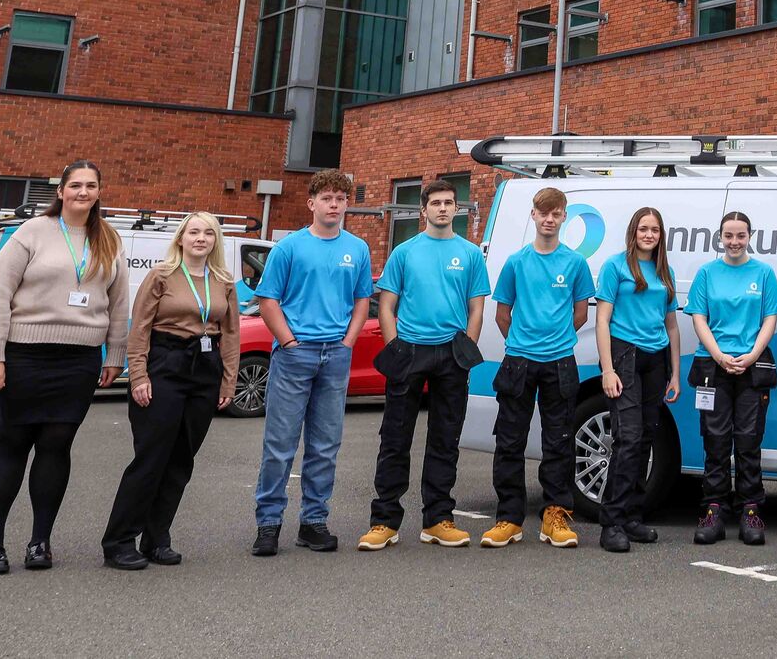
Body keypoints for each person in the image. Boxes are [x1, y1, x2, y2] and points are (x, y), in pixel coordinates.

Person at [0, 160, 128, 574]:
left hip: (77, 362)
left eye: (90, 185)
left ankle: (40, 542)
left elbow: (118, 305)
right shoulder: (32, 232)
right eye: (75, 185)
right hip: (25, 356)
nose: (83, 192)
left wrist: (114, 356)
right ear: (60, 191)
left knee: (56, 447)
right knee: (12, 446)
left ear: (98, 192)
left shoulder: (109, 239)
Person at [100, 212, 241, 570]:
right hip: (165, 363)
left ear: (215, 241)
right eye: (194, 232)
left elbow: (232, 335)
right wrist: (138, 376)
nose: (201, 238)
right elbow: (140, 327)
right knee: (151, 458)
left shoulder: (223, 280)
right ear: (181, 238)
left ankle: (156, 539)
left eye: (209, 233)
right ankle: (118, 541)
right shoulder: (161, 275)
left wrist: (228, 380)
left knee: (181, 461)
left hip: (203, 370)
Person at [357, 179, 490, 551]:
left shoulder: (470, 254)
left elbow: (477, 307)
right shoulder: (404, 252)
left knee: (445, 440)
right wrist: (394, 346)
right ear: (424, 210)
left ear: (456, 209)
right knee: (395, 438)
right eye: (436, 203)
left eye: (449, 203)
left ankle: (438, 519)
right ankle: (384, 521)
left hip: (452, 354)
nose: (444, 209)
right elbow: (386, 305)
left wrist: (468, 347)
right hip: (410, 351)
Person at [250, 169, 373, 556]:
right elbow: (268, 299)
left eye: (340, 199)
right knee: (280, 445)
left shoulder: (358, 248)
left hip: (335, 355)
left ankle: (313, 522)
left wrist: (348, 341)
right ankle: (268, 524)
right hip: (295, 354)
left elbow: (361, 300)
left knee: (324, 445)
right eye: (327, 199)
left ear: (346, 204)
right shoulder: (290, 248)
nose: (333, 205)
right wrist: (288, 341)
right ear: (312, 203)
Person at [485, 187, 594, 549]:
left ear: (564, 217)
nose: (549, 219)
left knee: (559, 442)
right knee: (510, 441)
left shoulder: (576, 263)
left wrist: (555, 339)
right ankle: (509, 518)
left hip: (561, 362)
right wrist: (522, 343)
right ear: (533, 215)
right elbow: (502, 314)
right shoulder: (516, 262)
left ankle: (555, 516)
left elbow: (580, 313)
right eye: (542, 212)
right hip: (518, 361)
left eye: (556, 213)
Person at [686, 212, 777, 546]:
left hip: (751, 367)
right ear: (720, 237)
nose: (734, 241)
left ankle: (751, 511)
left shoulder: (764, 273)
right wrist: (719, 356)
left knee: (748, 440)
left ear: (749, 237)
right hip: (713, 367)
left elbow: (770, 318)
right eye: (728, 235)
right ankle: (713, 510)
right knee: (714, 441)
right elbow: (699, 319)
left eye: (740, 236)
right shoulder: (707, 273)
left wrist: (752, 355)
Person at [594, 207, 682, 553]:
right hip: (624, 355)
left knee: (645, 438)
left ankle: (632, 517)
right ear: (634, 232)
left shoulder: (665, 270)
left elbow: (671, 325)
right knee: (627, 438)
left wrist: (675, 372)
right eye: (644, 229)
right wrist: (607, 369)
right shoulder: (615, 267)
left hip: (655, 358)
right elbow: (602, 321)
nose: (649, 235)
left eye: (655, 230)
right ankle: (611, 521)